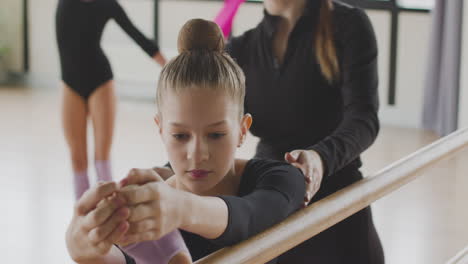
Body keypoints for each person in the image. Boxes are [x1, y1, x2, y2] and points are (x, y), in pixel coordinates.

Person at [65, 19, 305, 264]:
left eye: (216, 135)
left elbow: (250, 216)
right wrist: (83, 244)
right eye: (180, 136)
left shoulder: (280, 179)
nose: (197, 154)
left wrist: (180, 209)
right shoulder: (149, 210)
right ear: (161, 130)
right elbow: (115, 258)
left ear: (242, 130)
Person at [223, 0, 385, 263]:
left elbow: (364, 118)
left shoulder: (349, 25)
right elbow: (216, 131)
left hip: (338, 207)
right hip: (272, 205)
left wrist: (320, 159)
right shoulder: (241, 49)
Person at [56, 0, 167, 199]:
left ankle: (108, 212)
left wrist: (168, 68)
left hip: (101, 82)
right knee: (77, 159)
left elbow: (136, 35)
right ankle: (83, 217)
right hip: (70, 84)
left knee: (101, 158)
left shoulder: (107, 4)